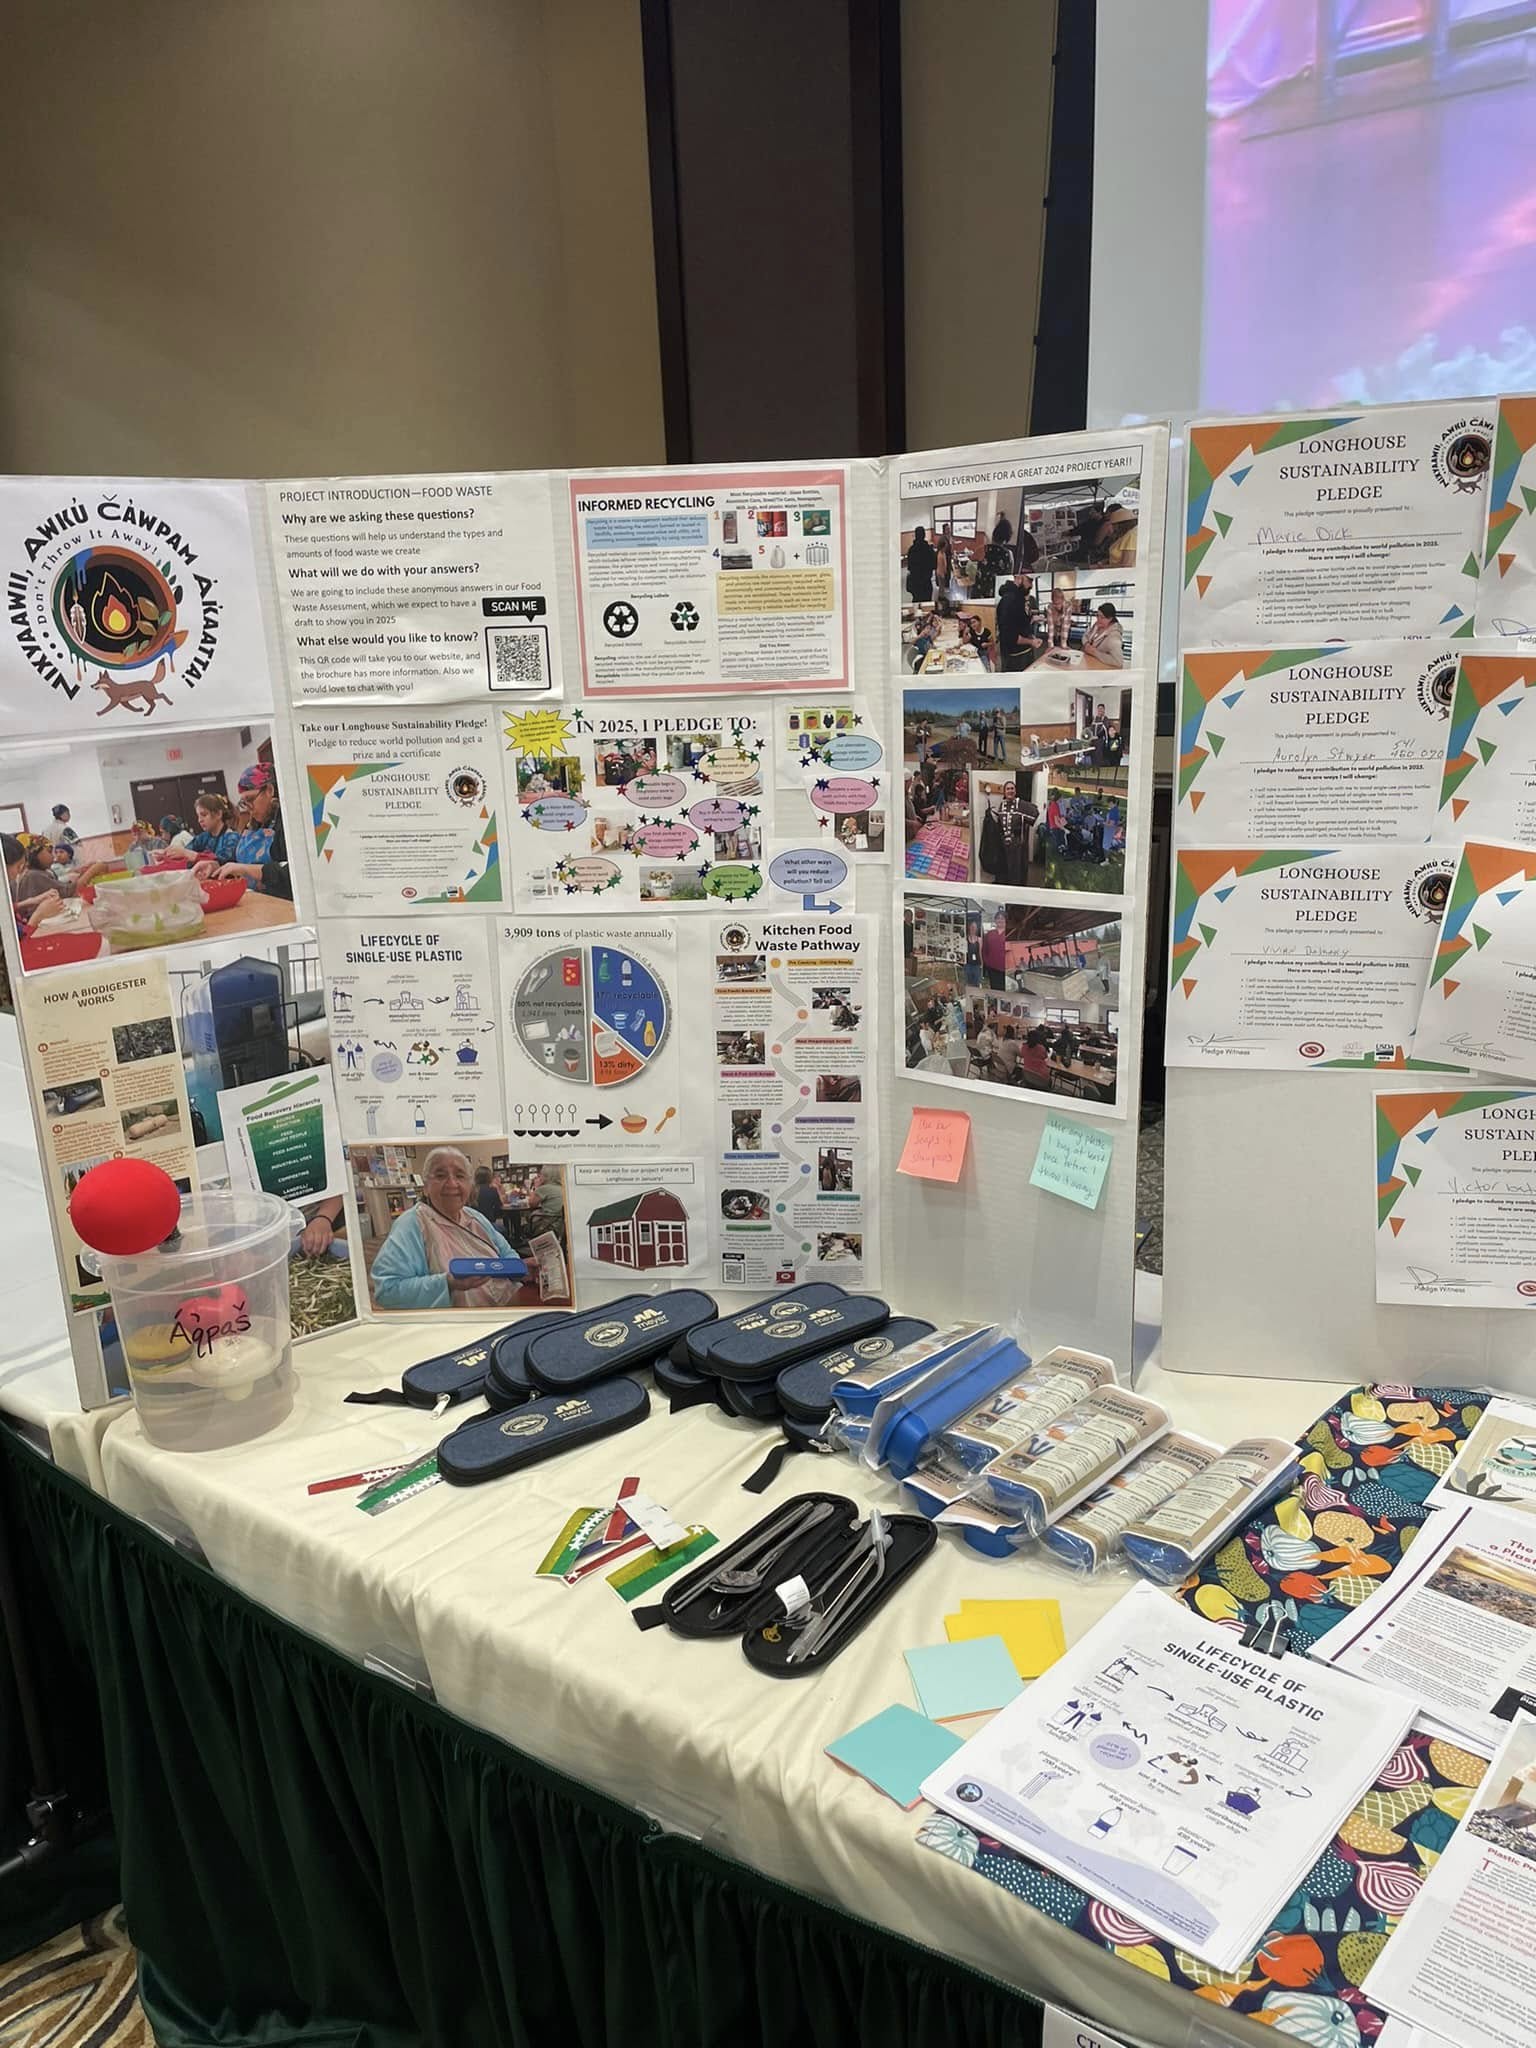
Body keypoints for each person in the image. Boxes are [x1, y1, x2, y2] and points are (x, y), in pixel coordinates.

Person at [370, 1147, 525, 1310]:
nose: (452, 1183)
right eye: (440, 1175)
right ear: (425, 1187)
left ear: (470, 1185)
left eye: (459, 1176)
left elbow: (507, 1253)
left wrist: (520, 1267)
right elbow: (387, 1291)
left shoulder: (475, 1217)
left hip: (507, 1313)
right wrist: (448, 1283)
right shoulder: (412, 1224)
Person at [218, 762, 292, 898]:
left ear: (269, 790)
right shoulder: (254, 825)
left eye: (250, 799)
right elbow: (238, 862)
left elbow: (293, 871)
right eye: (243, 802)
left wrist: (250, 870)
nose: (248, 807)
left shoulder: (288, 822)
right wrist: (216, 865)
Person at [4, 834, 62, 939]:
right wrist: (38, 916)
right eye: (18, 867)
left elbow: (6, 909)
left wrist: (32, 900)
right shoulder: (33, 874)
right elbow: (16, 943)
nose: (54, 856)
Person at [996, 569, 1039, 673]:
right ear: (1018, 577)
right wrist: (1031, 641)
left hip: (1025, 652)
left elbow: (1021, 623)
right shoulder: (1009, 600)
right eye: (1029, 580)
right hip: (1015, 657)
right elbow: (1010, 636)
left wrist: (1030, 635)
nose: (1031, 586)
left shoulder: (1019, 598)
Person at [186, 793, 239, 871]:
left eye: (204, 815)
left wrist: (192, 855)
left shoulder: (232, 837)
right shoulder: (203, 837)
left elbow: (222, 860)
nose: (199, 820)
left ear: (218, 814)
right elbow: (188, 850)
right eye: (198, 816)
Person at [1083, 602, 1126, 668]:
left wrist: (1095, 652)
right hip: (1089, 661)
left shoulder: (1114, 637)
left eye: (1102, 617)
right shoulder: (1097, 625)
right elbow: (1085, 636)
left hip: (1100, 668)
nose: (1098, 619)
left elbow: (1118, 662)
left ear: (1110, 618)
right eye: (1097, 615)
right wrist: (1086, 644)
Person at [904, 524, 937, 604]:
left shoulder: (911, 550)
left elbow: (909, 567)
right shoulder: (929, 549)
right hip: (926, 583)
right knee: (927, 604)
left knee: (916, 602)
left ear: (915, 536)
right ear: (924, 535)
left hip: (915, 583)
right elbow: (934, 565)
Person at [980, 908, 1008, 992]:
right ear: (995, 920)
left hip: (1005, 969)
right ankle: (996, 1003)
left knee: (1005, 989)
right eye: (998, 918)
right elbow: (984, 949)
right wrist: (986, 962)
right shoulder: (990, 934)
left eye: (1002, 918)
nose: (1000, 920)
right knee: (994, 988)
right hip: (992, 967)